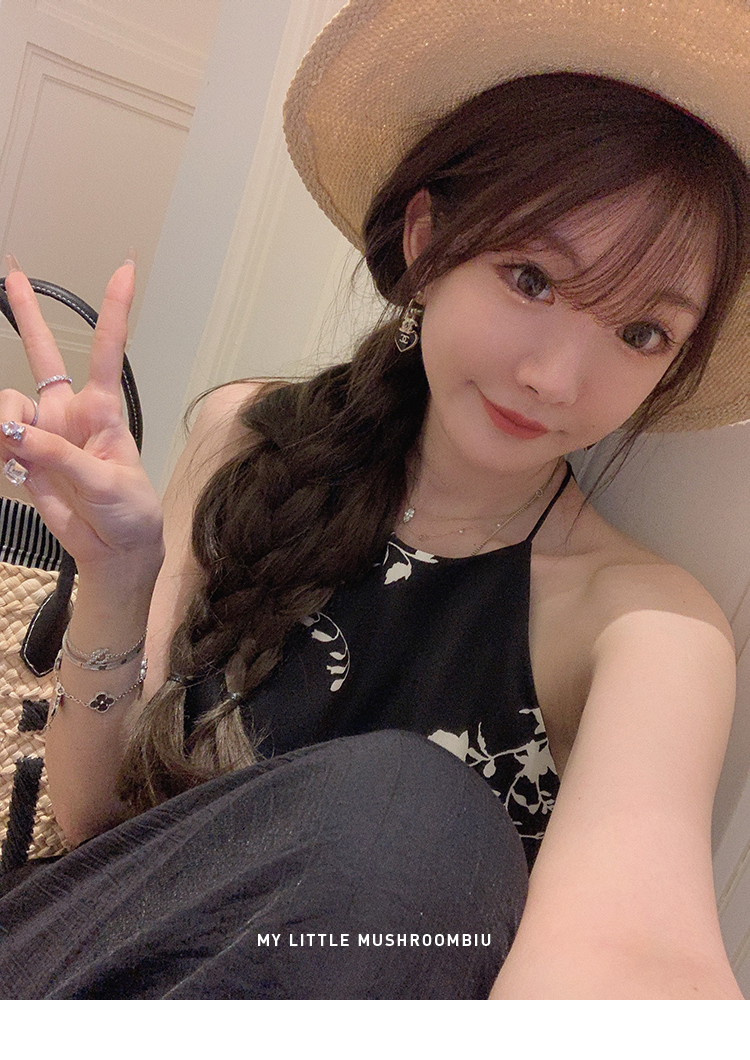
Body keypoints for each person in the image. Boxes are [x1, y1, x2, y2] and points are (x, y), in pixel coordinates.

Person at [0, 0, 748, 999]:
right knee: (415, 813)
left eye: (641, 333)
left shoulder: (647, 630)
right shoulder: (247, 437)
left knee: (422, 819)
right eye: (530, 278)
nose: (558, 379)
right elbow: (99, 823)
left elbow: (641, 951)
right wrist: (118, 575)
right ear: (428, 239)